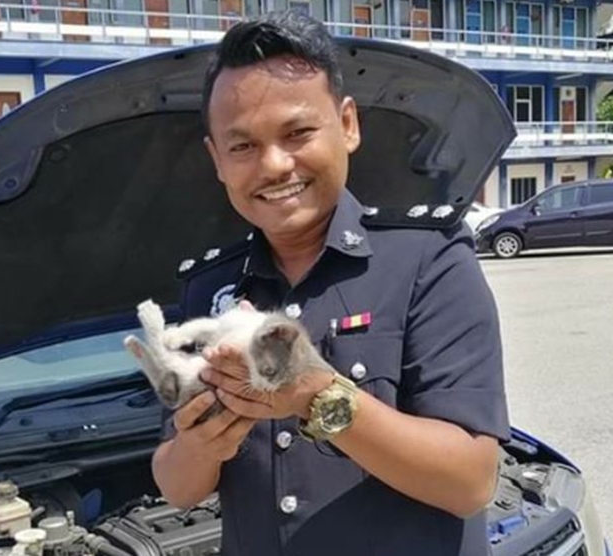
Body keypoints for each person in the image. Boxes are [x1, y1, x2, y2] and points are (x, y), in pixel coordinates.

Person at [151, 10, 509, 556]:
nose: (273, 165)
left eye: (297, 133)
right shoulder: (210, 290)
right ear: (216, 160)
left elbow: (471, 482)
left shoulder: (427, 260)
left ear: (347, 125)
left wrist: (314, 394)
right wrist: (201, 446)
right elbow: (177, 485)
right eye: (242, 146)